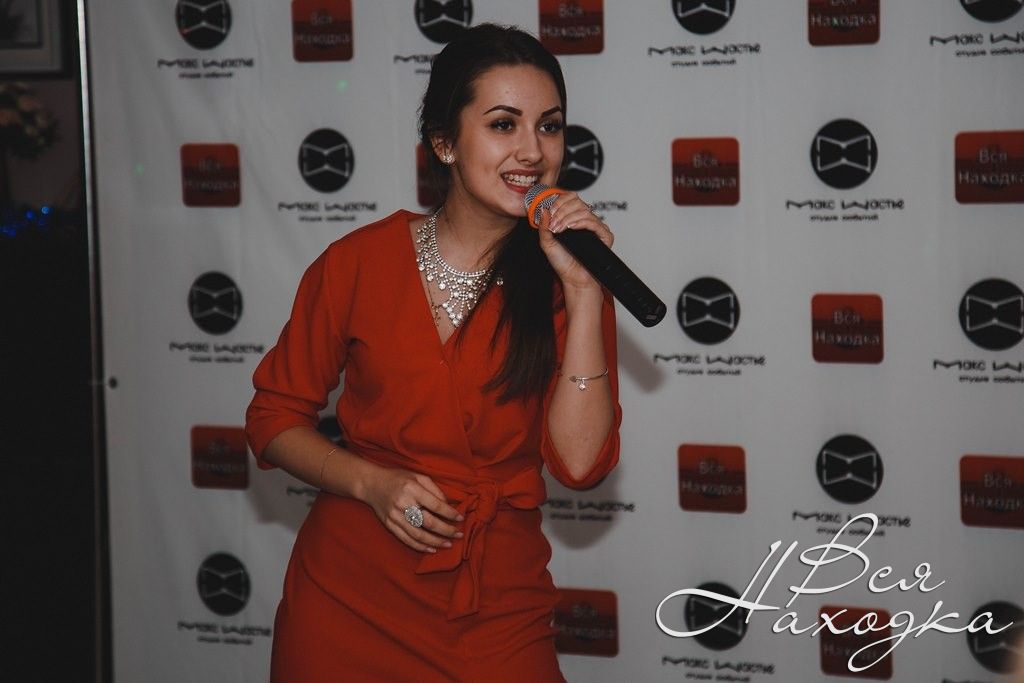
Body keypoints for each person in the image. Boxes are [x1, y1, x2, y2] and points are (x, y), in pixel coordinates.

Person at [245, 23, 622, 682]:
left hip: (496, 607)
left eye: (550, 126)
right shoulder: (357, 263)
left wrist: (587, 291)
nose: (533, 151)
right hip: (346, 601)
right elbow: (272, 419)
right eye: (503, 124)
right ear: (444, 142)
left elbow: (582, 465)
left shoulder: (569, 284)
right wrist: (372, 483)